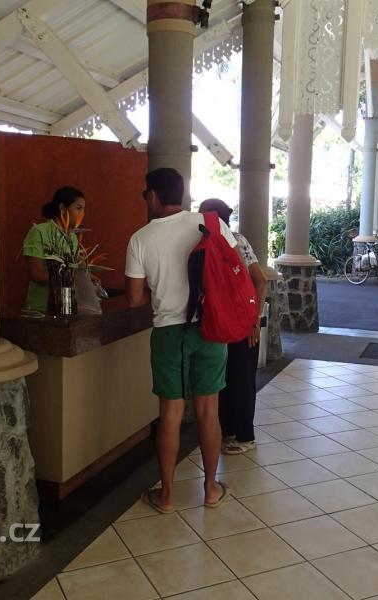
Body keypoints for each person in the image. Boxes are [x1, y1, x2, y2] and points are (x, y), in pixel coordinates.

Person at [125, 168, 235, 513]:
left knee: (171, 414)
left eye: (146, 194)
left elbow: (134, 298)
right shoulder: (210, 223)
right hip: (210, 327)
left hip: (168, 332)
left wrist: (160, 290)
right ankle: (211, 488)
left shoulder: (140, 239)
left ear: (154, 195)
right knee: (208, 410)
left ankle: (167, 496)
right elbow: (233, 270)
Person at [198, 198, 268, 455]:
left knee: (241, 381)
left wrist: (254, 322)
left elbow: (260, 281)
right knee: (225, 380)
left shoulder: (236, 241)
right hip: (221, 323)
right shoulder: (208, 242)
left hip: (241, 323)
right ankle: (227, 430)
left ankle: (245, 436)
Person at [21, 186, 85, 312]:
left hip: (66, 306)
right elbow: (37, 274)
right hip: (41, 308)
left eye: (83, 209)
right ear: (62, 208)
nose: (82, 214)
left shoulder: (72, 236)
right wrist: (71, 278)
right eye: (78, 208)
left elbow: (75, 268)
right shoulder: (39, 232)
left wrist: (86, 276)